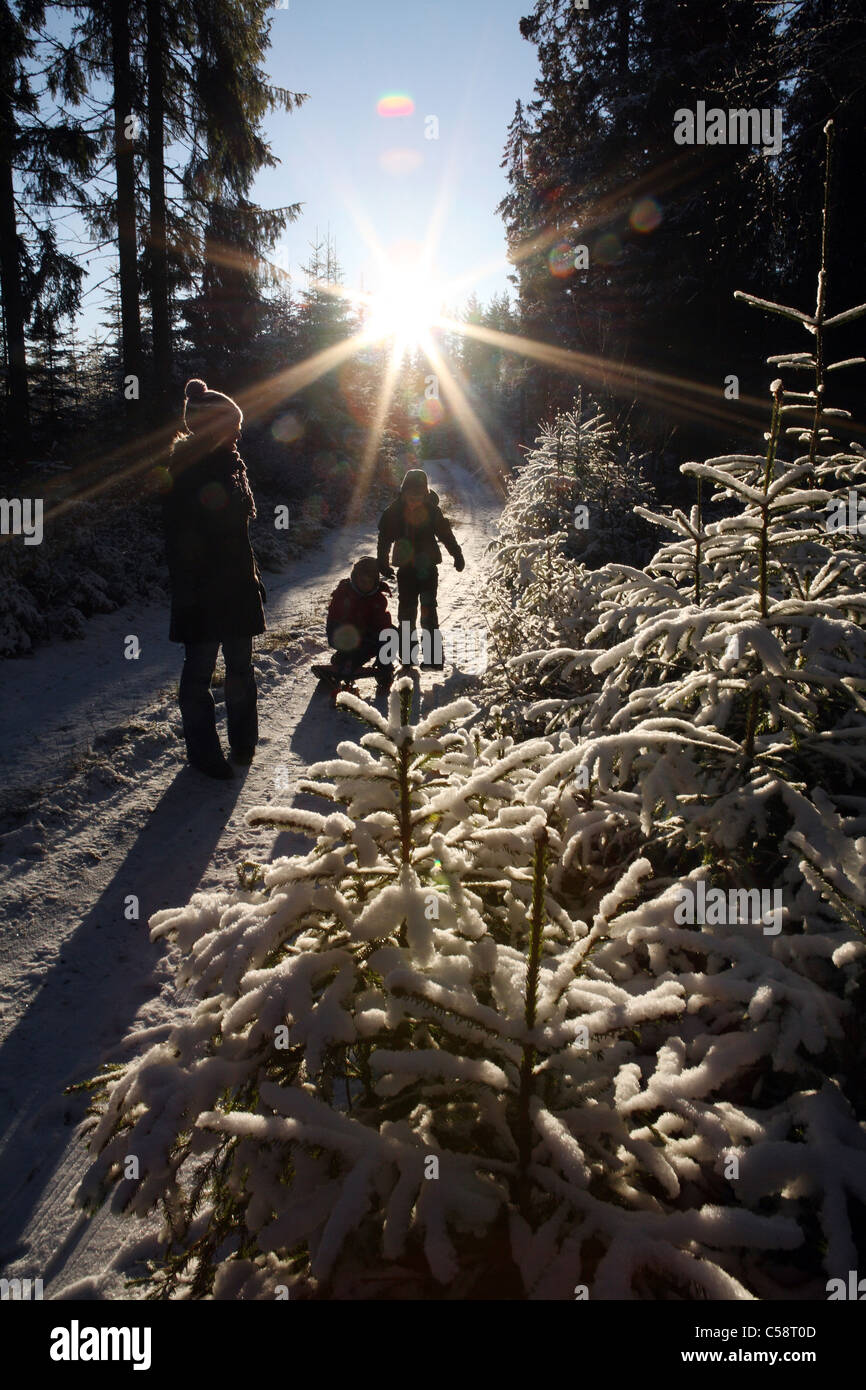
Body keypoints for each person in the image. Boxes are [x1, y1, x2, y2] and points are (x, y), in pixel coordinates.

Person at [160, 378, 266, 779]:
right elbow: (181, 543)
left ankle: (243, 742)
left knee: (240, 667)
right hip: (203, 593)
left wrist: (251, 577)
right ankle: (204, 755)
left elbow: (238, 535)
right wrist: (191, 592)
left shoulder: (232, 464)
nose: (239, 431)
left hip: (237, 587)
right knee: (199, 674)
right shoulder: (186, 472)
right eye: (232, 424)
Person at [376, 468, 464, 668]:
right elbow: (384, 539)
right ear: (403, 493)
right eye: (410, 495)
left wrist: (456, 554)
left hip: (428, 567)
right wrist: (383, 562)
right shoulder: (393, 512)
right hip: (406, 569)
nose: (415, 500)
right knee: (406, 611)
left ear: (425, 493)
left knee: (428, 608)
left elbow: (445, 535)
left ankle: (433, 656)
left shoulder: (432, 510)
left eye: (419, 495)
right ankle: (407, 655)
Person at [326, 556, 394, 687]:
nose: (365, 584)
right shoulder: (344, 593)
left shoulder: (378, 599)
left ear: (375, 582)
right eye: (362, 580)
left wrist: (382, 635)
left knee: (390, 634)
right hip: (344, 634)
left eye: (369, 581)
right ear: (355, 578)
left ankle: (384, 668)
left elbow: (381, 622)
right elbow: (335, 615)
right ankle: (344, 657)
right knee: (353, 643)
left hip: (366, 637)